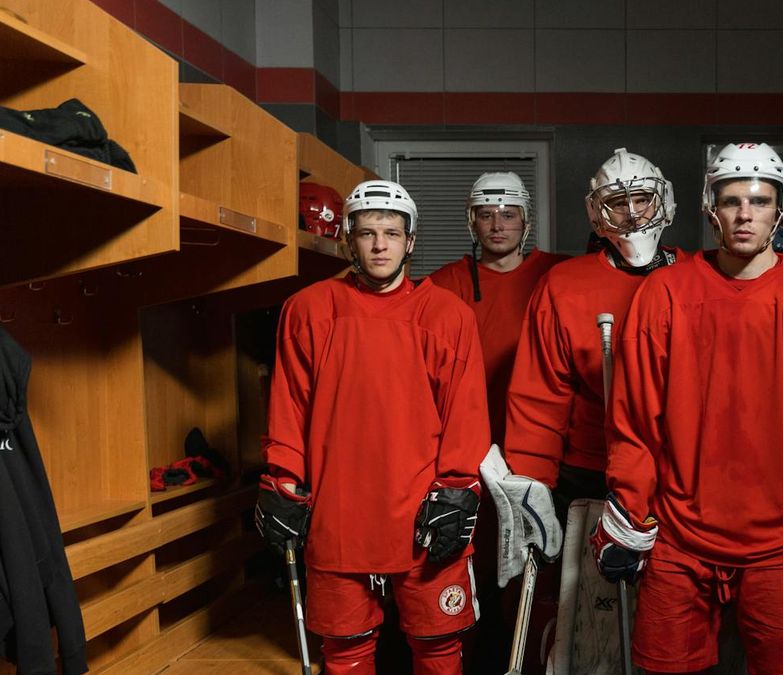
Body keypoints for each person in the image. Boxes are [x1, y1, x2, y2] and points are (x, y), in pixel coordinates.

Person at [595, 142, 783, 674]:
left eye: (760, 201)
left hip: (782, 540)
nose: (745, 214)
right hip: (679, 536)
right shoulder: (663, 294)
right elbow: (635, 422)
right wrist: (628, 507)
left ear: (781, 208)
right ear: (710, 208)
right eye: (731, 201)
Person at [254, 179, 491, 675]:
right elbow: (289, 408)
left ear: (410, 240)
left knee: (438, 647)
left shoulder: (448, 316)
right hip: (338, 516)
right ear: (348, 240)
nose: (380, 245)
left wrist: (457, 487)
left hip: (424, 513)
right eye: (367, 233)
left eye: (391, 233)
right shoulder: (308, 310)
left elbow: (465, 414)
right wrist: (282, 479)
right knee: (345, 652)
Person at [495, 148, 687, 672]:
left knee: (670, 618)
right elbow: (539, 398)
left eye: (642, 200)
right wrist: (531, 486)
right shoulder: (564, 284)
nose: (632, 214)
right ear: (597, 213)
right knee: (583, 615)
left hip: (678, 476)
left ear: (664, 202)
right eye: (618, 203)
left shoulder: (697, 277)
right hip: (590, 473)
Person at [426, 171, 566, 674]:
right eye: (486, 214)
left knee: (537, 559)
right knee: (475, 556)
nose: (498, 224)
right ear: (472, 221)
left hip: (537, 440)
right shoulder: (443, 284)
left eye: (508, 214)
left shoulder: (559, 275)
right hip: (467, 439)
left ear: (526, 220)